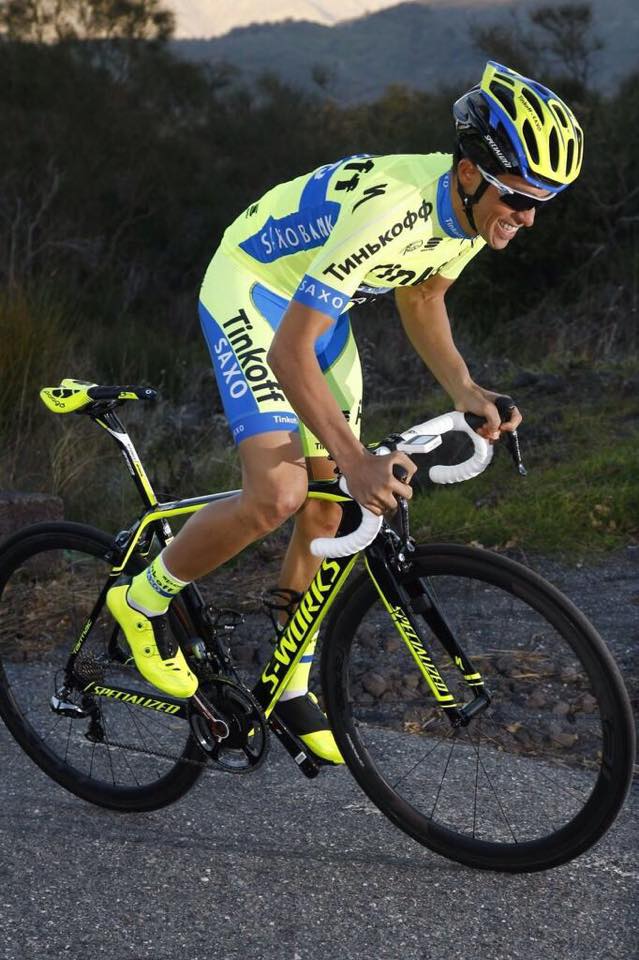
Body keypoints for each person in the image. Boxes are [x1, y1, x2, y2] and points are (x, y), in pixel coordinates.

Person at [107, 61, 583, 763]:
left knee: (331, 512)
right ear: (469, 172)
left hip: (317, 315)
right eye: (517, 197)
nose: (527, 217)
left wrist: (465, 389)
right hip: (252, 289)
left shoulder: (467, 214)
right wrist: (356, 459)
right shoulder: (396, 209)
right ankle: (143, 599)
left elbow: (423, 295)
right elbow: (287, 351)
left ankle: (289, 682)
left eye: (542, 202)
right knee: (279, 494)